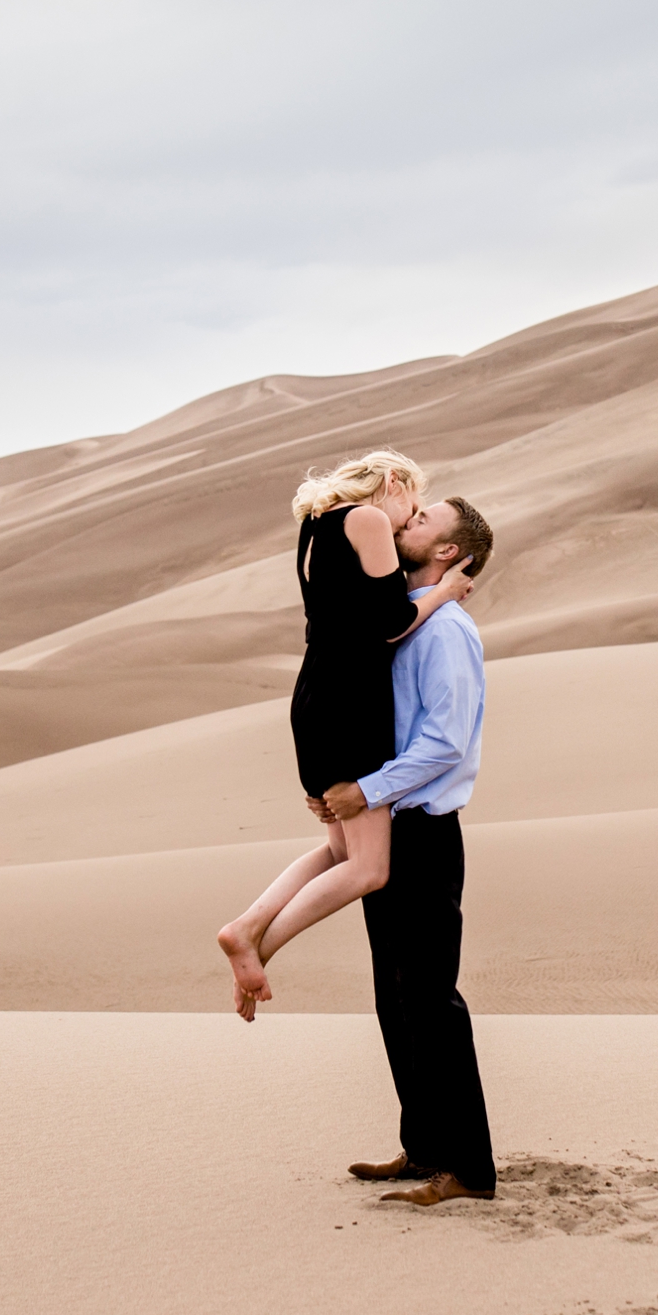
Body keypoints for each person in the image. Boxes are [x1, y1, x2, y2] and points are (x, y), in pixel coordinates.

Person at [217, 451, 474, 1021]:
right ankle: (258, 943)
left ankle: (249, 923)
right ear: (393, 483)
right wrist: (446, 592)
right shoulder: (368, 519)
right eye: (411, 507)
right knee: (369, 868)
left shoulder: (315, 524)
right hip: (349, 704)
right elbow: (389, 626)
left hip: (314, 697)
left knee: (340, 852)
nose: (407, 522)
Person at [323, 496, 498, 1207]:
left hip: (423, 829)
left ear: (450, 552)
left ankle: (470, 1169)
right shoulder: (398, 617)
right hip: (388, 825)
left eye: (424, 518)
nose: (408, 519)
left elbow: (444, 741)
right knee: (394, 996)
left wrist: (365, 789)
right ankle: (423, 1149)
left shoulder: (447, 629)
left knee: (431, 997)